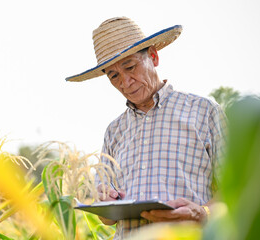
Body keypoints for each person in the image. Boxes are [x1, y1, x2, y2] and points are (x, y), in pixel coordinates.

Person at [66, 17, 226, 239]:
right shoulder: (114, 131)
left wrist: (203, 213)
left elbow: (238, 193)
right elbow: (107, 218)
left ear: (153, 56)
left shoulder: (204, 112)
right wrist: (105, 200)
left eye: (130, 67)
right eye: (113, 76)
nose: (125, 82)